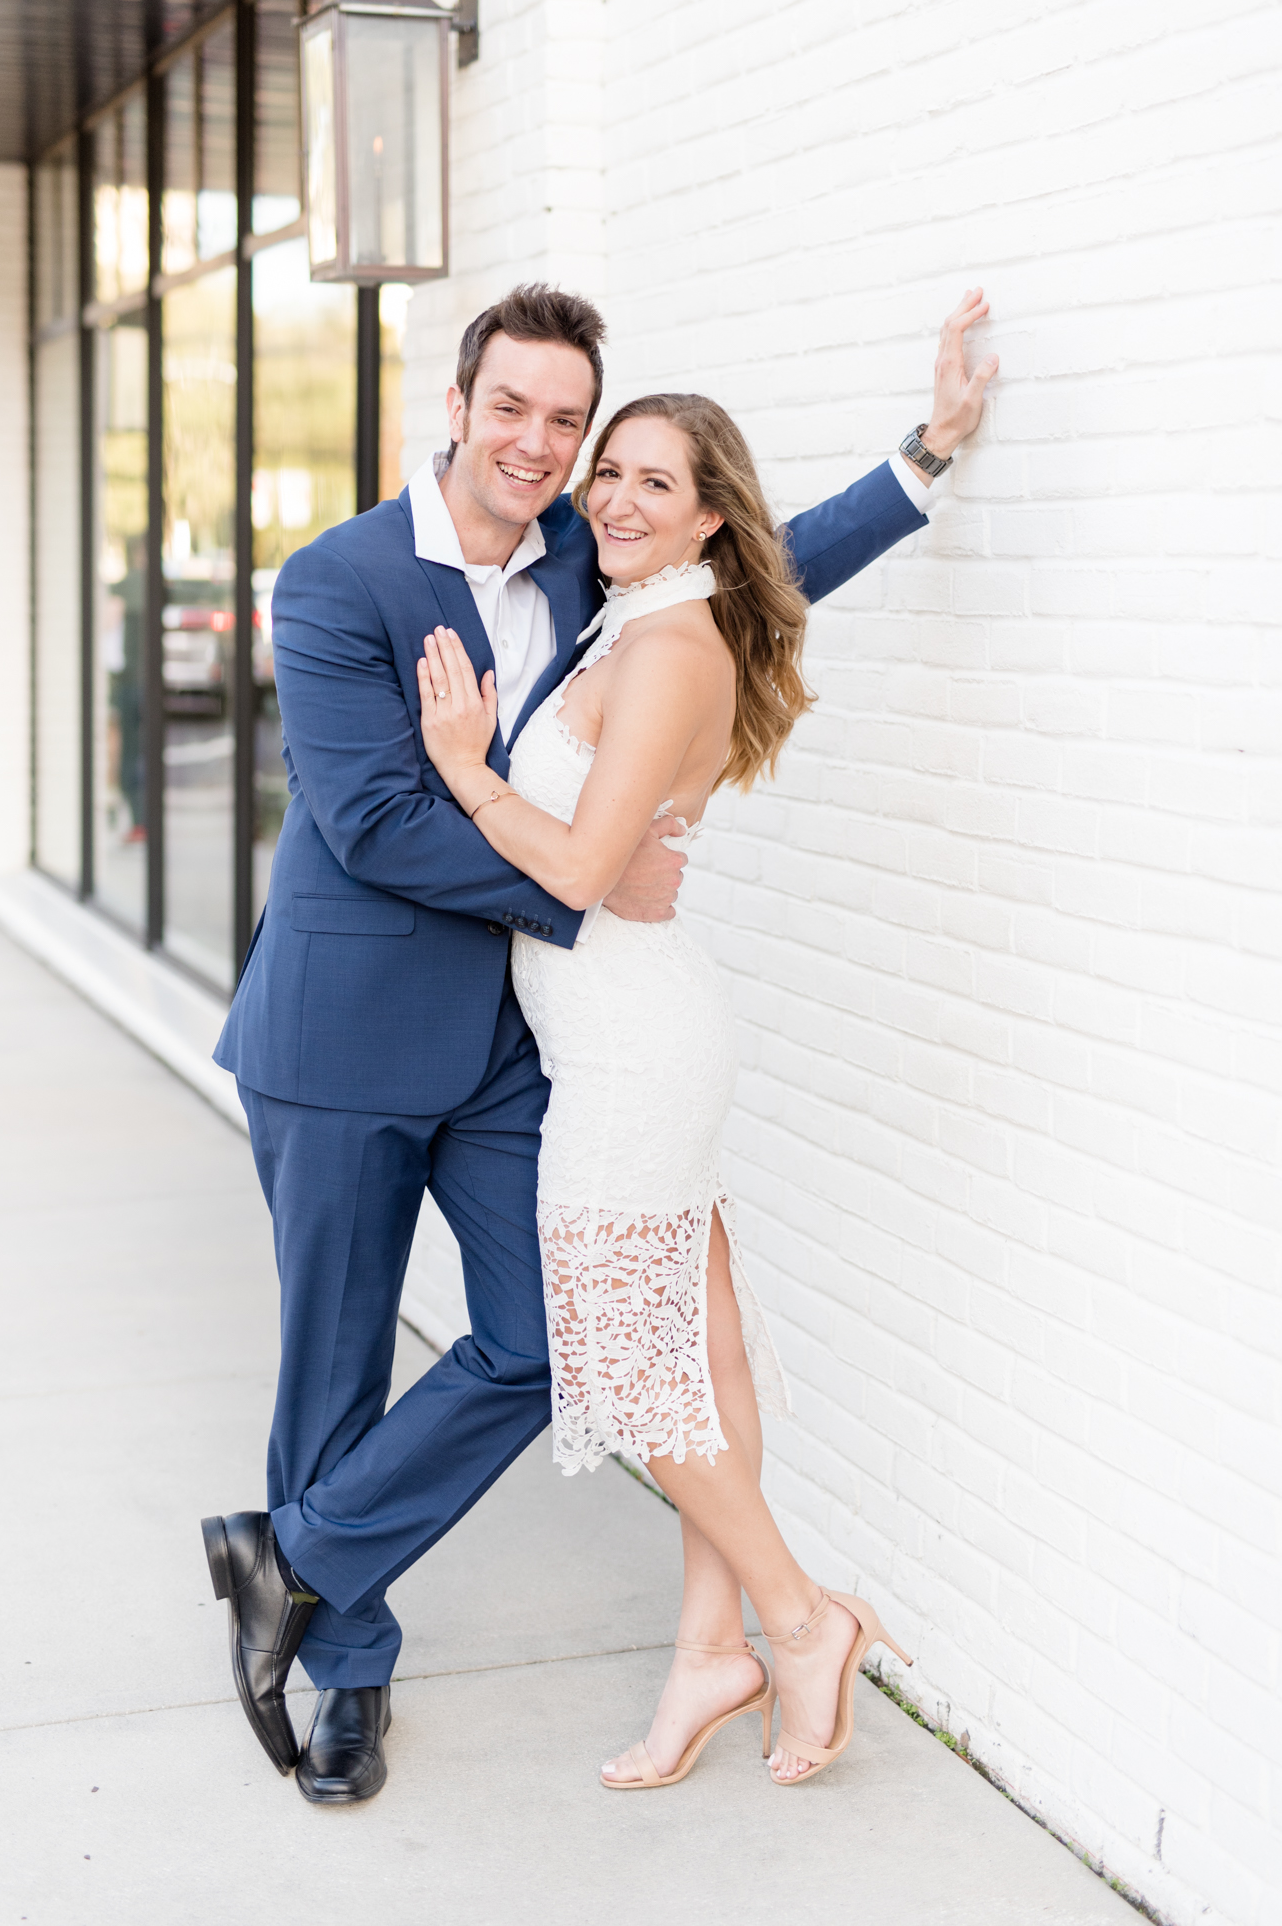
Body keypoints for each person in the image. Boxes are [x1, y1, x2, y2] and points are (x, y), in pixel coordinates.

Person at [203, 282, 997, 1803]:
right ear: (459, 404)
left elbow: (750, 560)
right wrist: (587, 870)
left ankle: (286, 1563)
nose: (541, 443)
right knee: (338, 1358)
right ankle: (348, 1668)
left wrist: (922, 462)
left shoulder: (589, 546)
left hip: (511, 1041)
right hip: (341, 1033)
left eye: (568, 422)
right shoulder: (336, 582)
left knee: (552, 1335)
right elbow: (371, 821)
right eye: (514, 409)